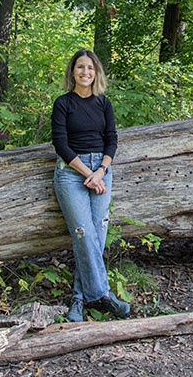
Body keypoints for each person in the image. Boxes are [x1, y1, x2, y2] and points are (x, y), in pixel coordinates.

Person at [51, 49, 131, 323]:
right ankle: (104, 295)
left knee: (96, 234)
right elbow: (60, 144)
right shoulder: (63, 104)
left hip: (101, 171)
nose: (85, 72)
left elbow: (112, 139)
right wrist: (89, 174)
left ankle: (78, 299)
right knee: (84, 233)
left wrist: (101, 171)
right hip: (72, 172)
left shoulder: (103, 104)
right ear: (72, 72)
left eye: (90, 68)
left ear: (96, 72)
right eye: (80, 67)